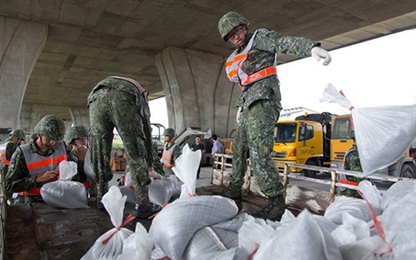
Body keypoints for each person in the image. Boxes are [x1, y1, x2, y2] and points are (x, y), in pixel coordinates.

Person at [216, 11, 332, 221]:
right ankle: (234, 188)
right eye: (231, 36)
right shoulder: (236, 56)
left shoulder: (259, 38)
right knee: (239, 147)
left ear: (245, 26)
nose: (237, 37)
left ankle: (276, 201)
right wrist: (240, 107)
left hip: (264, 101)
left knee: (259, 152)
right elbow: (244, 81)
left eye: (239, 30)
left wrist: (311, 48)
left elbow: (282, 42)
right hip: (247, 103)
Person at [88, 76, 162, 218]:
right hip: (123, 97)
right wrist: (149, 164)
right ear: (145, 94)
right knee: (135, 148)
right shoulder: (138, 93)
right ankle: (143, 205)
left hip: (95, 96)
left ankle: (101, 198)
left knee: (99, 148)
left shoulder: (114, 84)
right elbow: (145, 131)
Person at [5, 115, 85, 203]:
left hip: (59, 200)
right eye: (49, 138)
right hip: (33, 204)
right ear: (39, 134)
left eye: (55, 139)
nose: (52, 142)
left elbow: (78, 177)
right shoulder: (23, 153)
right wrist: (37, 179)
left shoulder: (62, 147)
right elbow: (9, 185)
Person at [65, 125, 95, 195]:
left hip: (91, 190)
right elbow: (77, 178)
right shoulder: (68, 157)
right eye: (79, 138)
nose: (83, 141)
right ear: (72, 141)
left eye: (85, 138)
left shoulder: (90, 154)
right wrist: (81, 160)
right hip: (75, 192)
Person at [339, 130, 364, 198]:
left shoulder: (352, 151)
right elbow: (359, 175)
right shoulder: (355, 154)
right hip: (352, 192)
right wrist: (369, 191)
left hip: (351, 190)